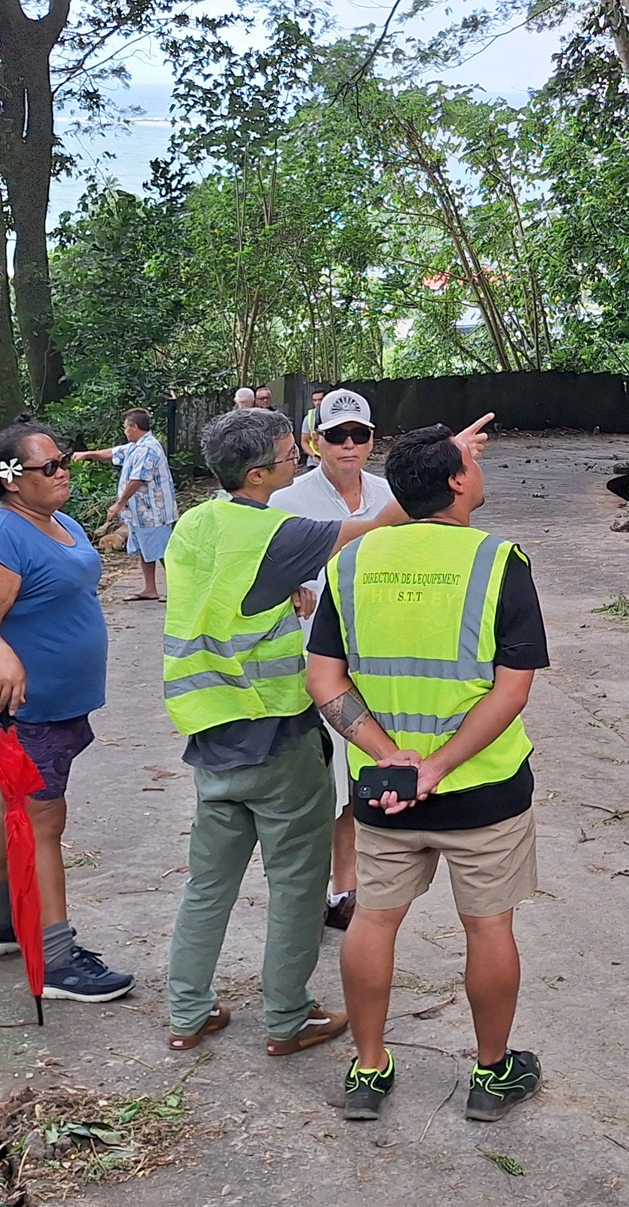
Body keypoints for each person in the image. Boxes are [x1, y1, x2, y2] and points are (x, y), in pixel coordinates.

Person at [161, 406, 494, 1060]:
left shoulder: (194, 524)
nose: (301, 457)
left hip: (210, 735)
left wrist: (284, 594)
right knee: (296, 883)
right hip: (276, 737)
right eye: (290, 453)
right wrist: (445, 456)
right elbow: (379, 524)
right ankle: (287, 1017)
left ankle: (187, 1012)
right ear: (258, 474)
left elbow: (225, 597)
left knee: (207, 884)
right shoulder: (276, 534)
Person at [311, 423, 548, 1125]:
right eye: (469, 464)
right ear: (456, 481)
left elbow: (324, 678)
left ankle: (369, 1068)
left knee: (373, 921)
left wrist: (389, 755)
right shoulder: (498, 560)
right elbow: (512, 689)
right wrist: (438, 765)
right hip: (483, 793)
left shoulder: (351, 562)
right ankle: (491, 1074)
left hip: (385, 793)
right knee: (488, 927)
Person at [0, 419, 135, 1002]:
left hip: (58, 707)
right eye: (49, 466)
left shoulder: (58, 522)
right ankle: (55, 959)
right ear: (12, 477)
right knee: (41, 819)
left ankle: (1, 924)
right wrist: (0, 654)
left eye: (63, 461)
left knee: (17, 805)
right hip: (19, 711)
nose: (63, 472)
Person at [274, 389, 397, 931]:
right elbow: (260, 566)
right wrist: (287, 586)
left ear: (372, 440)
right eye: (337, 435)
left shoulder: (390, 495)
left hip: (376, 653)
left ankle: (348, 888)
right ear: (315, 441)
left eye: (359, 434)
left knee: (360, 772)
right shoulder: (287, 500)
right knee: (322, 781)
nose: (349, 445)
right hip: (314, 658)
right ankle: (315, 888)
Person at [73, 409, 178, 602]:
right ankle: (150, 589)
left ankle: (178, 589)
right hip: (140, 512)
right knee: (144, 550)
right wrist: (87, 454)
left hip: (154, 511)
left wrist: (118, 504)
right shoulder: (136, 446)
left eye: (125, 427)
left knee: (162, 551)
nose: (125, 431)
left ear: (134, 427)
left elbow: (137, 479)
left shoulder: (148, 449)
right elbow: (113, 453)